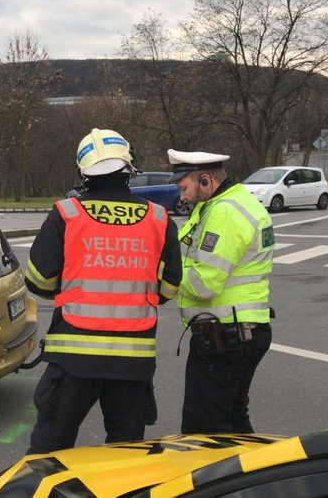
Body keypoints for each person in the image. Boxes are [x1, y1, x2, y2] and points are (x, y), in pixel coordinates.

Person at [24, 129, 182, 454]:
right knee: (125, 456)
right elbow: (168, 287)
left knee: (49, 451)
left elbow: (38, 280)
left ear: (83, 173)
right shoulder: (158, 218)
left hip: (73, 360)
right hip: (133, 362)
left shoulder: (67, 214)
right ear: (129, 168)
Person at [167, 149, 274, 434]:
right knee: (232, 421)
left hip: (226, 337)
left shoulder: (225, 212)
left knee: (204, 430)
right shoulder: (224, 204)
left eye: (184, 188)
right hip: (239, 332)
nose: (182, 197)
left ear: (205, 180)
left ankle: (214, 480)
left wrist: (163, 275)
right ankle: (255, 476)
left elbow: (204, 283)